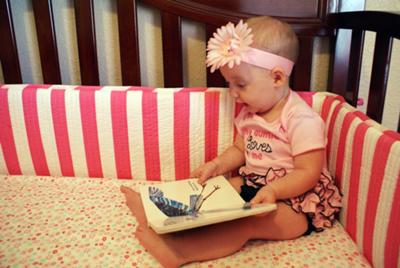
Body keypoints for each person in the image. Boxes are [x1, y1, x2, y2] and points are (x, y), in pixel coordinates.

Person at [121, 16, 341, 267]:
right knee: (214, 191)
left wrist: (274, 190)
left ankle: (181, 251)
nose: (233, 94)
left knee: (246, 222)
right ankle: (160, 212)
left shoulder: (301, 118)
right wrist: (216, 165)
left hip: (298, 205)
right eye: (229, 84)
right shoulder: (250, 113)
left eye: (241, 84)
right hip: (255, 185)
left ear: (277, 78)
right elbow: (240, 148)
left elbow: (308, 172)